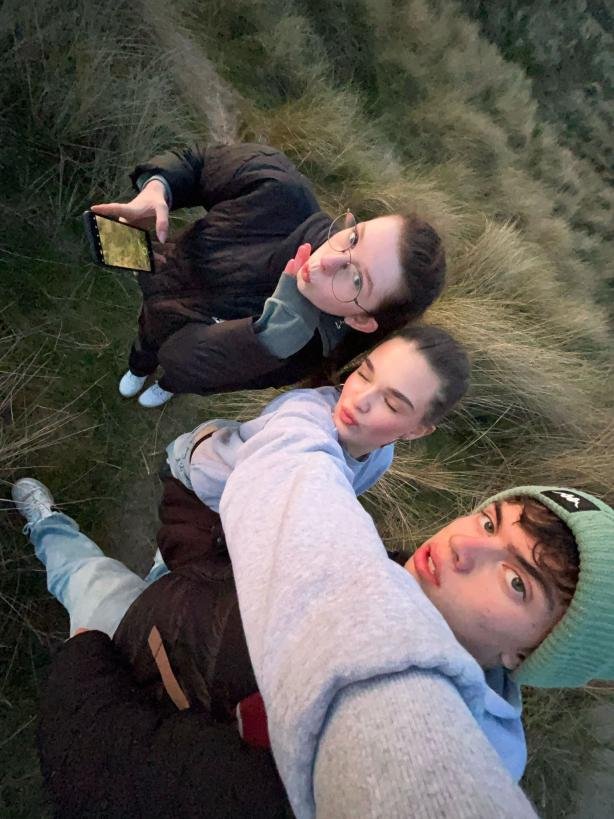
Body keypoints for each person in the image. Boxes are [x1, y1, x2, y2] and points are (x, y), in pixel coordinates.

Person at [91, 142, 446, 407]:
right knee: (147, 336)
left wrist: (261, 342)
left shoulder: (308, 349)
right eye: (354, 238)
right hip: (160, 284)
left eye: (356, 280)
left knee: (177, 372)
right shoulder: (279, 191)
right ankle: (139, 367)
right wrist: (159, 187)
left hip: (190, 361)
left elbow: (193, 365)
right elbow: (198, 163)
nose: (329, 260)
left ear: (362, 319)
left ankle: (166, 387)